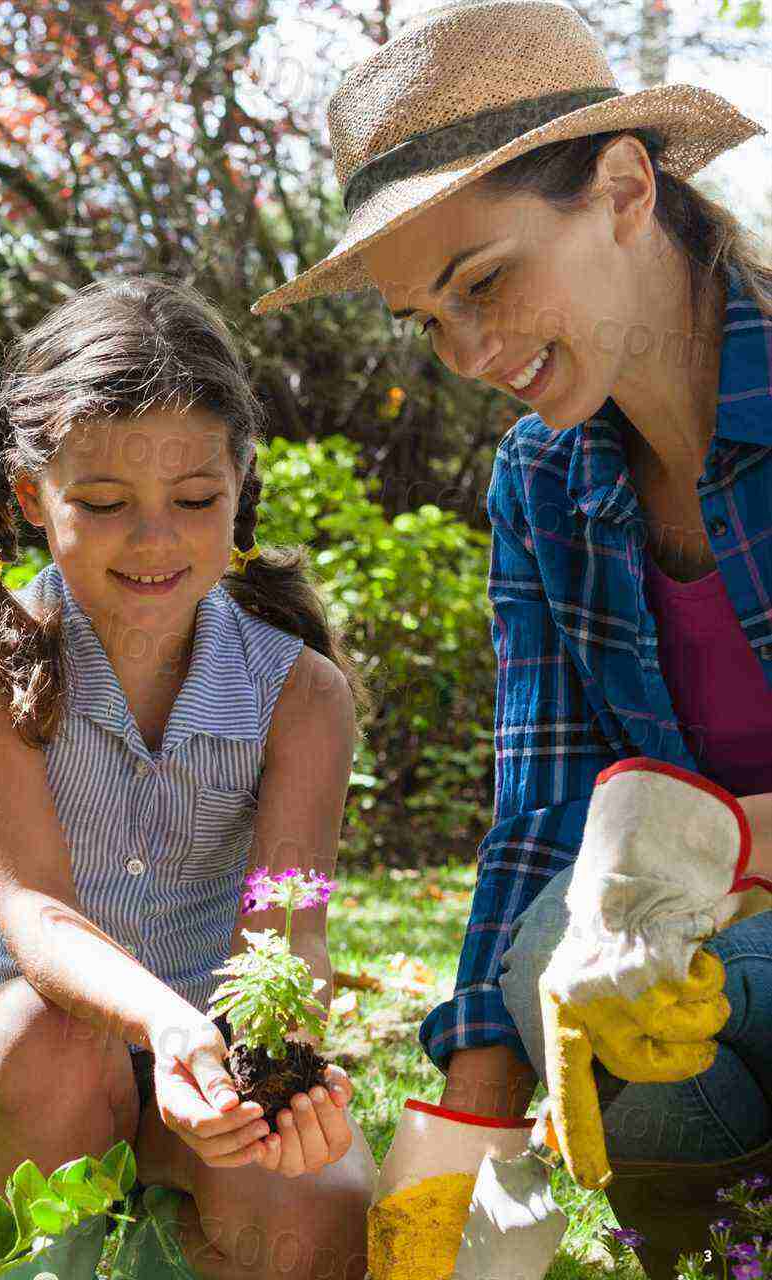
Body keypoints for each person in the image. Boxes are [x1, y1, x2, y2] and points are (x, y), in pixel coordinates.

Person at [250, 0, 772, 1274]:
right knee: (569, 953)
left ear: (625, 185)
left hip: (724, 932)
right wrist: (468, 1103)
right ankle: (713, 1233)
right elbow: (542, 806)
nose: (469, 352)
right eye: (428, 317)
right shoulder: (540, 482)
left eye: (483, 280)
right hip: (700, 951)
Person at [0, 275, 377, 1280]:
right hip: (26, 1063)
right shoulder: (2, 669)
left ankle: (177, 1236)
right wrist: (163, 1019)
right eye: (107, 502)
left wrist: (277, 1071)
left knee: (322, 1212)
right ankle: (53, 1252)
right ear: (34, 496)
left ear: (240, 482)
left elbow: (287, 923)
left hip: (208, 1061)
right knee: (56, 1040)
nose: (156, 538)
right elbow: (34, 913)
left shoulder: (300, 694)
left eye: (196, 499)